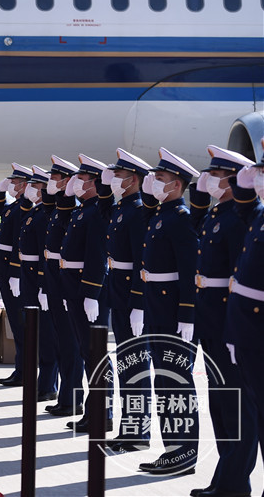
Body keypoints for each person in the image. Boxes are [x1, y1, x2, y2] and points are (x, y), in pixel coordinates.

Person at [187, 145, 258, 497]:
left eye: (216, 176)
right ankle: (226, 476)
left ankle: (235, 480)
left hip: (227, 320)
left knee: (236, 405)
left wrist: (233, 327)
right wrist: (200, 195)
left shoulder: (238, 220)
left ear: (233, 181)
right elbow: (194, 229)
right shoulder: (217, 215)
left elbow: (238, 276)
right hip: (211, 318)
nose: (209, 181)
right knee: (220, 403)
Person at [137, 147, 200, 475]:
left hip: (173, 312)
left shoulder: (181, 219)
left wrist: (187, 314)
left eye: (159, 178)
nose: (153, 182)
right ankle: (172, 451)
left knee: (177, 384)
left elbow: (190, 271)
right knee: (164, 384)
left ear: (176, 185)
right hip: (157, 307)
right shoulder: (162, 215)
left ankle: (183, 455)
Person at [98, 148, 154, 453]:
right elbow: (101, 207)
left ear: (133, 179)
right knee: (125, 365)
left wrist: (138, 304)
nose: (113, 179)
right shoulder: (122, 208)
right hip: (118, 294)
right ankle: (128, 428)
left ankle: (137, 432)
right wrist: (104, 182)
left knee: (135, 367)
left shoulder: (137, 212)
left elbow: (140, 262)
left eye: (118, 175)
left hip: (130, 297)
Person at [60, 154, 113, 434]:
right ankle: (94, 412)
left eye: (80, 179)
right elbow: (60, 219)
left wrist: (92, 291)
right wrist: (66, 195)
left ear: (94, 183)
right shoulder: (83, 210)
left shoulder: (97, 213)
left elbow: (97, 256)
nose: (76, 183)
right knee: (86, 350)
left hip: (88, 287)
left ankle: (103, 412)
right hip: (74, 286)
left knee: (96, 353)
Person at [225, 142, 264, 496]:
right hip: (248, 332)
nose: (260, 179)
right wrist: (244, 181)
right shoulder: (260, 216)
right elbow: (243, 208)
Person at [42, 155, 84, 418]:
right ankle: (66, 397)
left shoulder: (74, 210)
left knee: (71, 345)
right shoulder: (61, 207)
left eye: (55, 178)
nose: (50, 182)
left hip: (68, 279)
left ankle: (72, 399)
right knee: (62, 342)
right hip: (55, 277)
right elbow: (49, 207)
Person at [16, 166, 58, 402]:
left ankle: (48, 385)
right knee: (37, 333)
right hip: (29, 277)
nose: (30, 189)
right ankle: (43, 382)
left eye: (34, 186)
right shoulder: (36, 212)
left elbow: (45, 253)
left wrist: (43, 284)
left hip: (37, 279)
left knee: (47, 336)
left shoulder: (45, 215)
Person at [0, 163, 32, 387]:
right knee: (17, 325)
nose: (11, 185)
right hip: (5, 270)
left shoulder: (25, 208)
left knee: (20, 324)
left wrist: (16, 271)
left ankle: (24, 370)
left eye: (15, 182)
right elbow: (0, 210)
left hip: (12, 272)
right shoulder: (16, 206)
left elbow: (20, 243)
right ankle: (21, 369)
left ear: (25, 185)